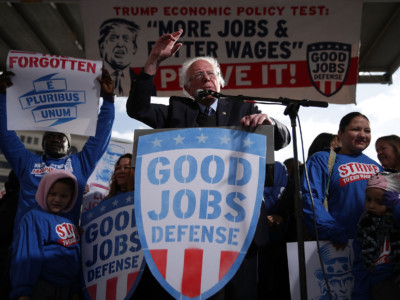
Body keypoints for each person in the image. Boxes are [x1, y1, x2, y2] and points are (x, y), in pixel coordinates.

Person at [126, 29, 291, 150]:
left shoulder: (242, 109)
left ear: (220, 82)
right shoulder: (175, 112)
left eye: (211, 73)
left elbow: (282, 141)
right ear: (188, 89)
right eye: (198, 76)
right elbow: (138, 109)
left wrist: (271, 125)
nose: (206, 78)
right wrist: (153, 59)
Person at [0, 68, 115, 230]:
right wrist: (2, 97)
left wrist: (109, 101)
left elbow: (101, 136)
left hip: (63, 248)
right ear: (43, 145)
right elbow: (5, 135)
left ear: (69, 146)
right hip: (28, 244)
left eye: (61, 137)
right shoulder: (27, 163)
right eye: (50, 137)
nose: (55, 139)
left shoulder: (80, 164)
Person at [302, 112, 384, 250]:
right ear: (340, 134)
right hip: (338, 246)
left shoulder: (376, 166)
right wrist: (330, 229)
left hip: (375, 247)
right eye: (355, 129)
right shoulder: (321, 160)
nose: (362, 135)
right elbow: (311, 197)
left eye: (367, 131)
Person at [10, 170, 81, 300]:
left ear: (72, 197)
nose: (57, 199)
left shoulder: (70, 222)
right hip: (41, 287)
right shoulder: (34, 218)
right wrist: (23, 292)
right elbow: (27, 256)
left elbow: (74, 256)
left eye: (64, 196)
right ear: (44, 191)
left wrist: (75, 290)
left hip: (66, 289)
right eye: (52, 194)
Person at [352, 171, 400, 299]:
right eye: (368, 199)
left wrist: (397, 207)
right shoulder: (364, 227)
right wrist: (360, 295)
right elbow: (361, 266)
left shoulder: (397, 220)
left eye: (379, 201)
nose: (371, 205)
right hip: (378, 286)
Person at [98, 18, 140, 96]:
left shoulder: (143, 85)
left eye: (126, 39)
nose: (120, 44)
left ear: (134, 48)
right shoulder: (92, 82)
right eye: (113, 38)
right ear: (102, 46)